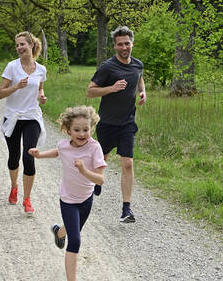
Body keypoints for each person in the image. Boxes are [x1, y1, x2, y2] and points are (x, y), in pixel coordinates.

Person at [28, 105, 105, 281]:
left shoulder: (94, 148)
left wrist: (84, 171)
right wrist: (39, 155)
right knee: (75, 240)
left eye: (86, 129)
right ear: (68, 130)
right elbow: (58, 152)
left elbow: (100, 180)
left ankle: (58, 232)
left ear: (91, 128)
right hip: (68, 200)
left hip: (86, 199)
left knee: (72, 230)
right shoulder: (64, 145)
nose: (82, 134)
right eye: (77, 130)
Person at [86, 26, 146, 223]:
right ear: (115, 46)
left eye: (127, 43)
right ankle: (96, 182)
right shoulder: (107, 67)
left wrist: (143, 92)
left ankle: (126, 209)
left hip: (128, 122)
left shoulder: (138, 65)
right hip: (107, 122)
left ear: (132, 43)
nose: (124, 47)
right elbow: (90, 92)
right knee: (102, 157)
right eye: (120, 44)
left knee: (127, 163)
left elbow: (139, 78)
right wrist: (111, 88)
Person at [0, 31, 47, 214]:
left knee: (29, 157)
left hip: (32, 117)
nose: (19, 48)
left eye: (22, 44)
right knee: (13, 156)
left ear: (31, 45)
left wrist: (41, 96)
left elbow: (40, 87)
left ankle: (27, 199)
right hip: (13, 117)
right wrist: (17, 86)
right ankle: (13, 187)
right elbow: (0, 93)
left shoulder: (41, 69)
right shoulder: (12, 67)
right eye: (17, 45)